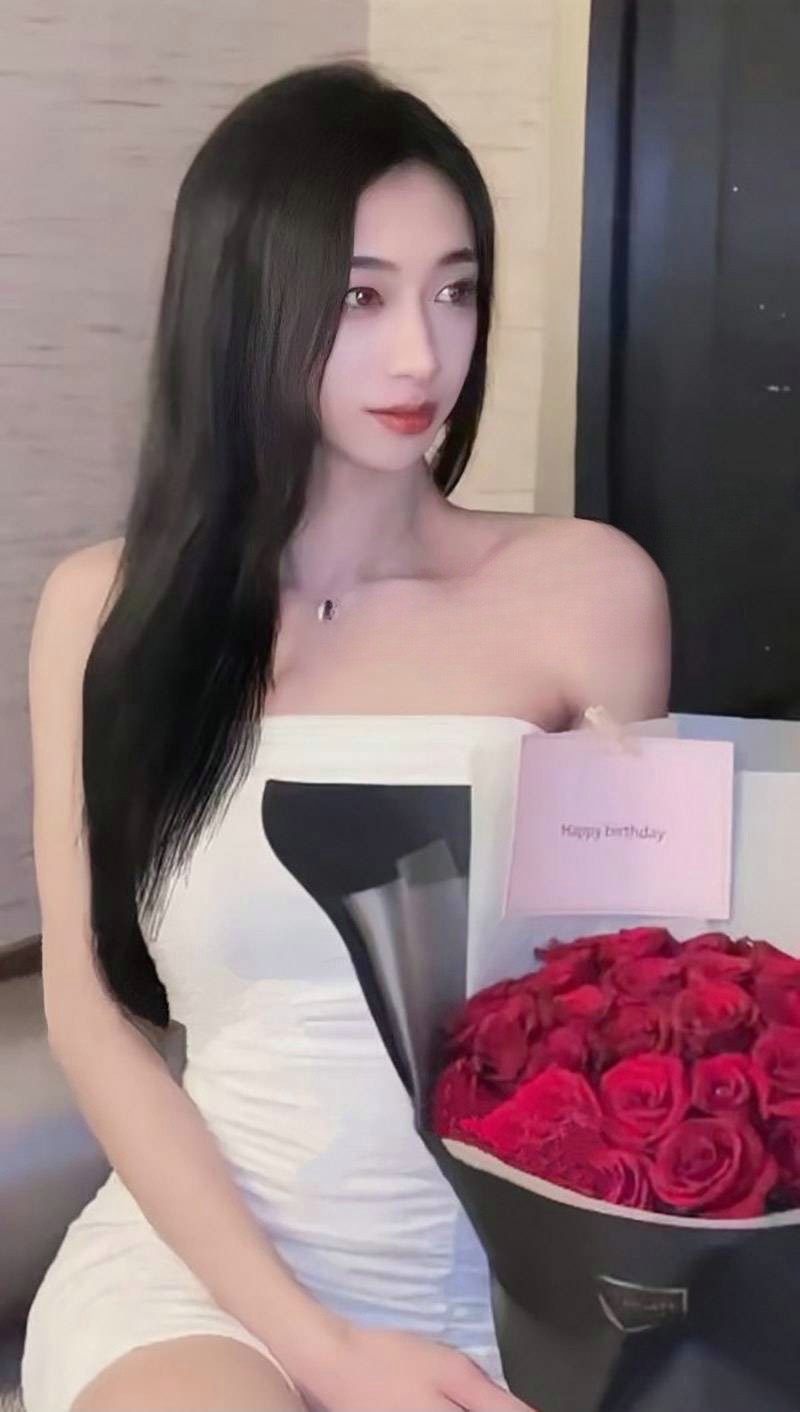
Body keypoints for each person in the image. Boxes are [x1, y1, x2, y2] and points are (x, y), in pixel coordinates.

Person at [20, 58, 671, 1412]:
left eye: (456, 290)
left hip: (506, 1283)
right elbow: (89, 1014)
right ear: (244, 304)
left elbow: (640, 1001)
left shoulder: (588, 592)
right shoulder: (106, 611)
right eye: (362, 296)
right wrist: (319, 1350)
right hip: (207, 1278)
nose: (423, 354)